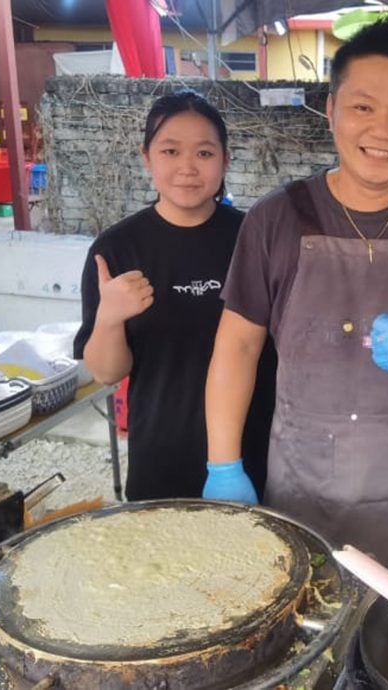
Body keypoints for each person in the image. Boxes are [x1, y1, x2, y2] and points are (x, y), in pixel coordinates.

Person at [204, 19, 388, 572]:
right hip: (302, 477)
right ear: (332, 111)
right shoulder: (276, 219)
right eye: (364, 107)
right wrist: (223, 464)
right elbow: (237, 348)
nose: (383, 131)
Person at [74, 90, 276, 502]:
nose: (187, 168)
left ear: (225, 160)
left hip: (257, 445)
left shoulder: (255, 237)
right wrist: (110, 317)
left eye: (204, 153)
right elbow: (106, 373)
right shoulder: (117, 249)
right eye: (170, 151)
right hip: (162, 453)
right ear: (147, 157)